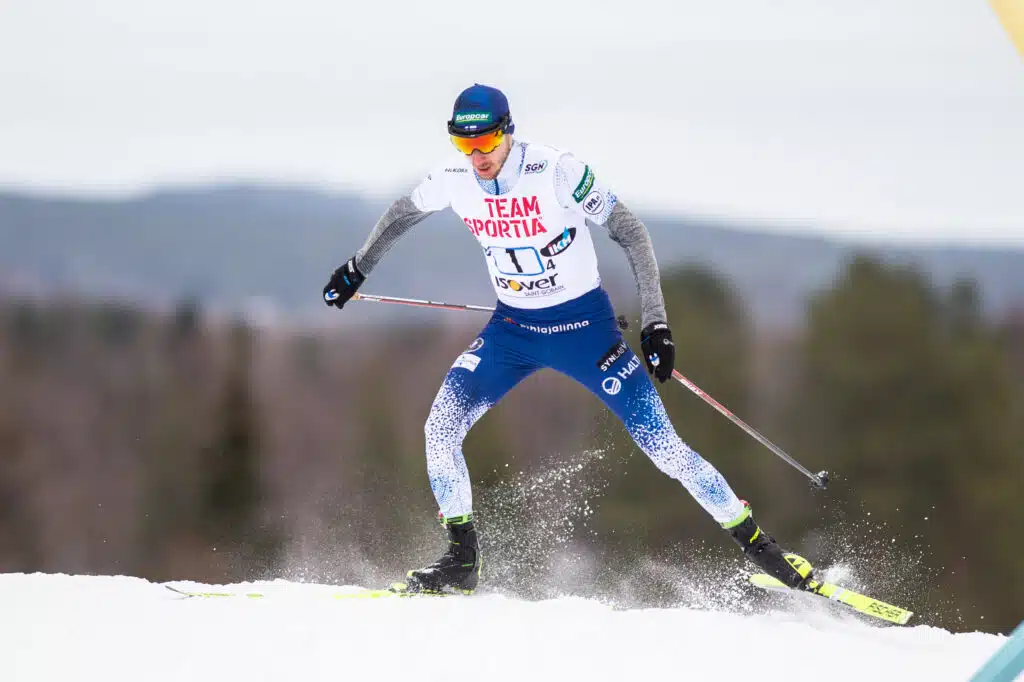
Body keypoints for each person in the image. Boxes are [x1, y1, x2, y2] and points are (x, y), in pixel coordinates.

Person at [323, 83, 813, 595]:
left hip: (587, 334)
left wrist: (656, 322)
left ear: (508, 131)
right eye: (464, 145)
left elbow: (630, 231)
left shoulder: (556, 171)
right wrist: (358, 268)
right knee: (439, 429)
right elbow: (404, 211)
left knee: (666, 450)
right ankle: (461, 559)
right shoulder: (454, 180)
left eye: (486, 142)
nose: (477, 157)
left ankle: (762, 548)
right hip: (512, 333)